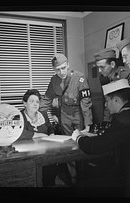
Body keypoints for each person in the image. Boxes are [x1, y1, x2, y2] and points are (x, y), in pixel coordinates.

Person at [72, 79, 130, 197]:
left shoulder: (124, 117)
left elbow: (95, 147)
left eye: (107, 100)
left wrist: (78, 137)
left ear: (116, 100)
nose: (105, 105)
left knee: (81, 186)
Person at [40, 53, 93, 185]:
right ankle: (73, 179)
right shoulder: (54, 81)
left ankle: (84, 178)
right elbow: (47, 99)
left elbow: (86, 102)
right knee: (69, 148)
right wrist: (36, 113)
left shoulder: (80, 78)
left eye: (63, 68)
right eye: (57, 69)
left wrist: (88, 124)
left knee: (81, 145)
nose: (61, 72)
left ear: (68, 65)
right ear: (54, 70)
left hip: (78, 112)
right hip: (64, 113)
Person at [18, 89, 56, 187]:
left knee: (50, 173)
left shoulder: (43, 114)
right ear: (25, 103)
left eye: (37, 102)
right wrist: (37, 135)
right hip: (26, 155)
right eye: (32, 101)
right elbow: (18, 132)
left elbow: (50, 128)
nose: (35, 104)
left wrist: (52, 135)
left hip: (45, 153)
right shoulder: (18, 116)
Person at [94, 48, 130, 121]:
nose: (99, 70)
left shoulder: (125, 75)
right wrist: (106, 123)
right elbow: (107, 102)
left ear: (112, 64)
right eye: (98, 67)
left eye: (102, 67)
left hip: (127, 118)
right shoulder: (103, 78)